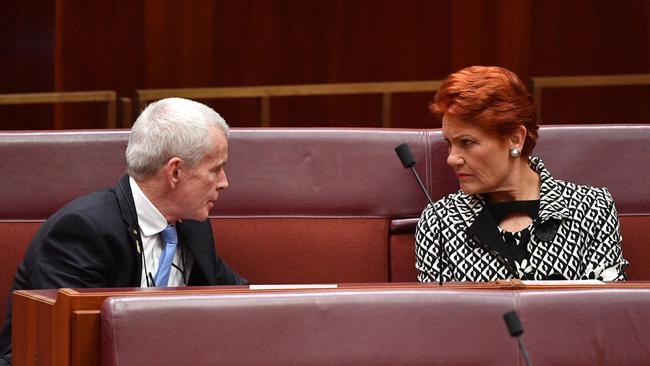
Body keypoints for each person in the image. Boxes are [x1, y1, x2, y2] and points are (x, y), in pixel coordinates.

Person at [0, 97, 247, 365]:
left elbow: (237, 299)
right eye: (216, 169)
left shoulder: (192, 226)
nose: (224, 182)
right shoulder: (82, 232)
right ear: (174, 171)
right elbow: (67, 345)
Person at [416, 66, 628, 283]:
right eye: (449, 144)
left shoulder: (591, 208)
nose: (452, 159)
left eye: (467, 143)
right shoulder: (438, 222)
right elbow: (436, 314)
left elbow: (609, 311)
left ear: (515, 139)